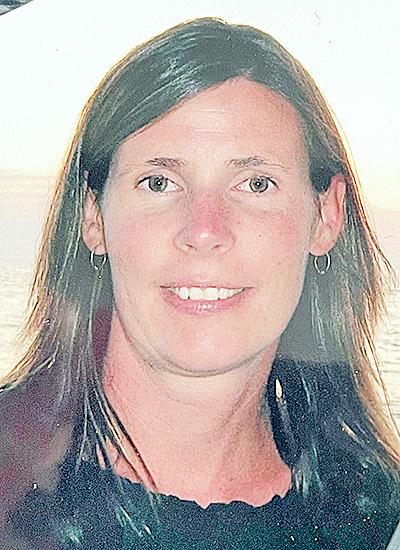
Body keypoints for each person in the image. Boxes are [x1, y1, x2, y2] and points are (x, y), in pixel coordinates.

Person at [1, 17, 399, 549]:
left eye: (256, 184)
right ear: (93, 216)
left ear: (326, 215)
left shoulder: (375, 523)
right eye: (159, 182)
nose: (205, 230)